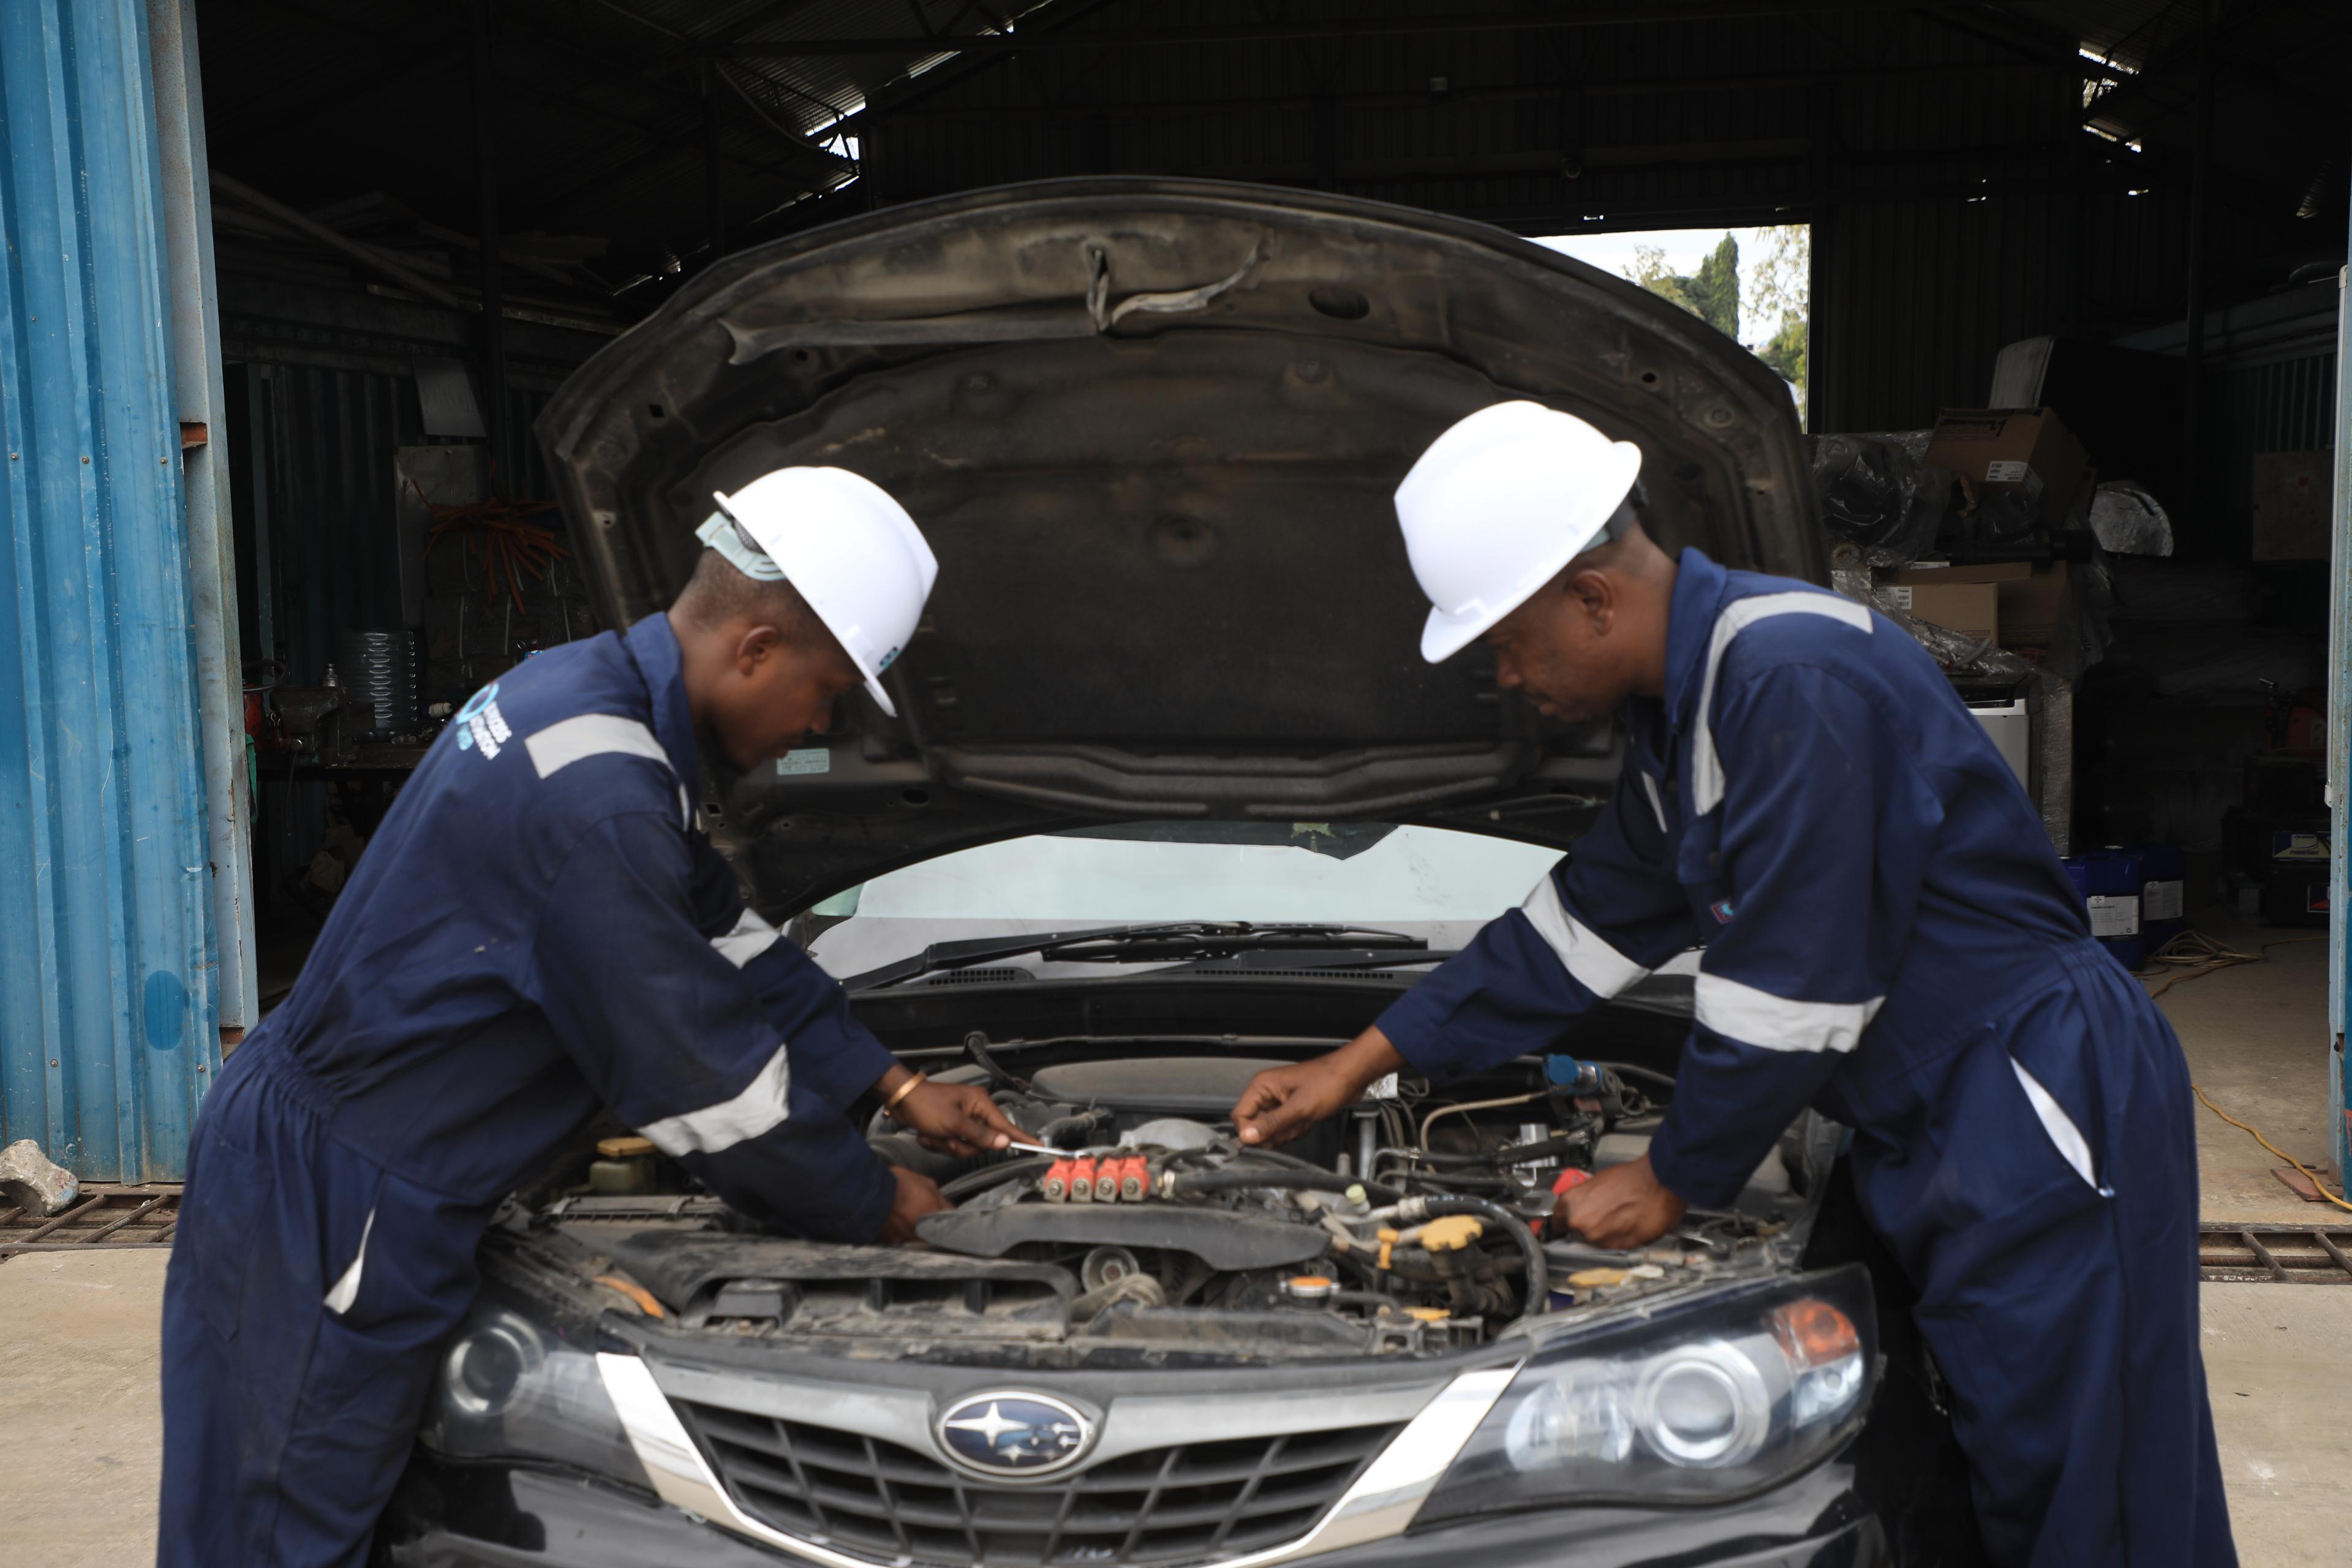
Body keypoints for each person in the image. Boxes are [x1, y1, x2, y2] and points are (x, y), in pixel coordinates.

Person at [1229, 402, 2233, 1567]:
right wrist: (1360, 1062)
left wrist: (1672, 1175)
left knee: (2089, 1487)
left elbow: (1798, 982)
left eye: (1506, 642)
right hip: (1934, 1111)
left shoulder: (1789, 677)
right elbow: (1579, 926)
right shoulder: (1689, 707)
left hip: (2032, 1091)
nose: (1506, 678)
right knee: (1991, 1456)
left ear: (1593, 597)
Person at [157, 466, 1025, 1567]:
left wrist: (888, 1085)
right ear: (754, 648)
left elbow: (723, 934)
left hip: (363, 1167)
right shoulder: (601, 802)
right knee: (278, 1538)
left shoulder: (588, 699)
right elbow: (707, 1089)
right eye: (829, 691)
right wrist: (868, 1199)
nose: (820, 721)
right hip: (340, 1199)